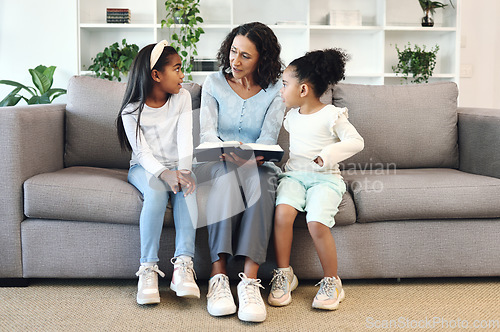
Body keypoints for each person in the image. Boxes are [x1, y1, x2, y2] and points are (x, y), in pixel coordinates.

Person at [195, 22, 285, 322]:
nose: (235, 61)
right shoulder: (213, 82)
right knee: (224, 179)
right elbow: (207, 132)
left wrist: (252, 157)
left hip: (258, 163)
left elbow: (269, 138)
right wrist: (227, 152)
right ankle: (218, 278)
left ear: (263, 58)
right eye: (233, 51)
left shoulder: (276, 90)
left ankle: (249, 282)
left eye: (245, 56)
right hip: (218, 160)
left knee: (262, 181)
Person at [268, 49, 364, 310]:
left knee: (316, 222)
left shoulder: (332, 114)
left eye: (285, 85)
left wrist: (327, 155)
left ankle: (332, 281)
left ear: (303, 90)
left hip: (325, 180)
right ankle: (285, 273)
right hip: (295, 177)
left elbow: (356, 141)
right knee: (282, 215)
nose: (281, 90)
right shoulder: (291, 117)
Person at [116, 40, 199, 305]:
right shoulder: (131, 110)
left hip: (178, 164)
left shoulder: (182, 97)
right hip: (144, 168)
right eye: (177, 69)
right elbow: (142, 153)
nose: (182, 75)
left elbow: (185, 137)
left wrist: (183, 171)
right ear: (156, 75)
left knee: (187, 189)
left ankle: (183, 266)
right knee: (155, 192)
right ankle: (148, 268)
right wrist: (164, 174)